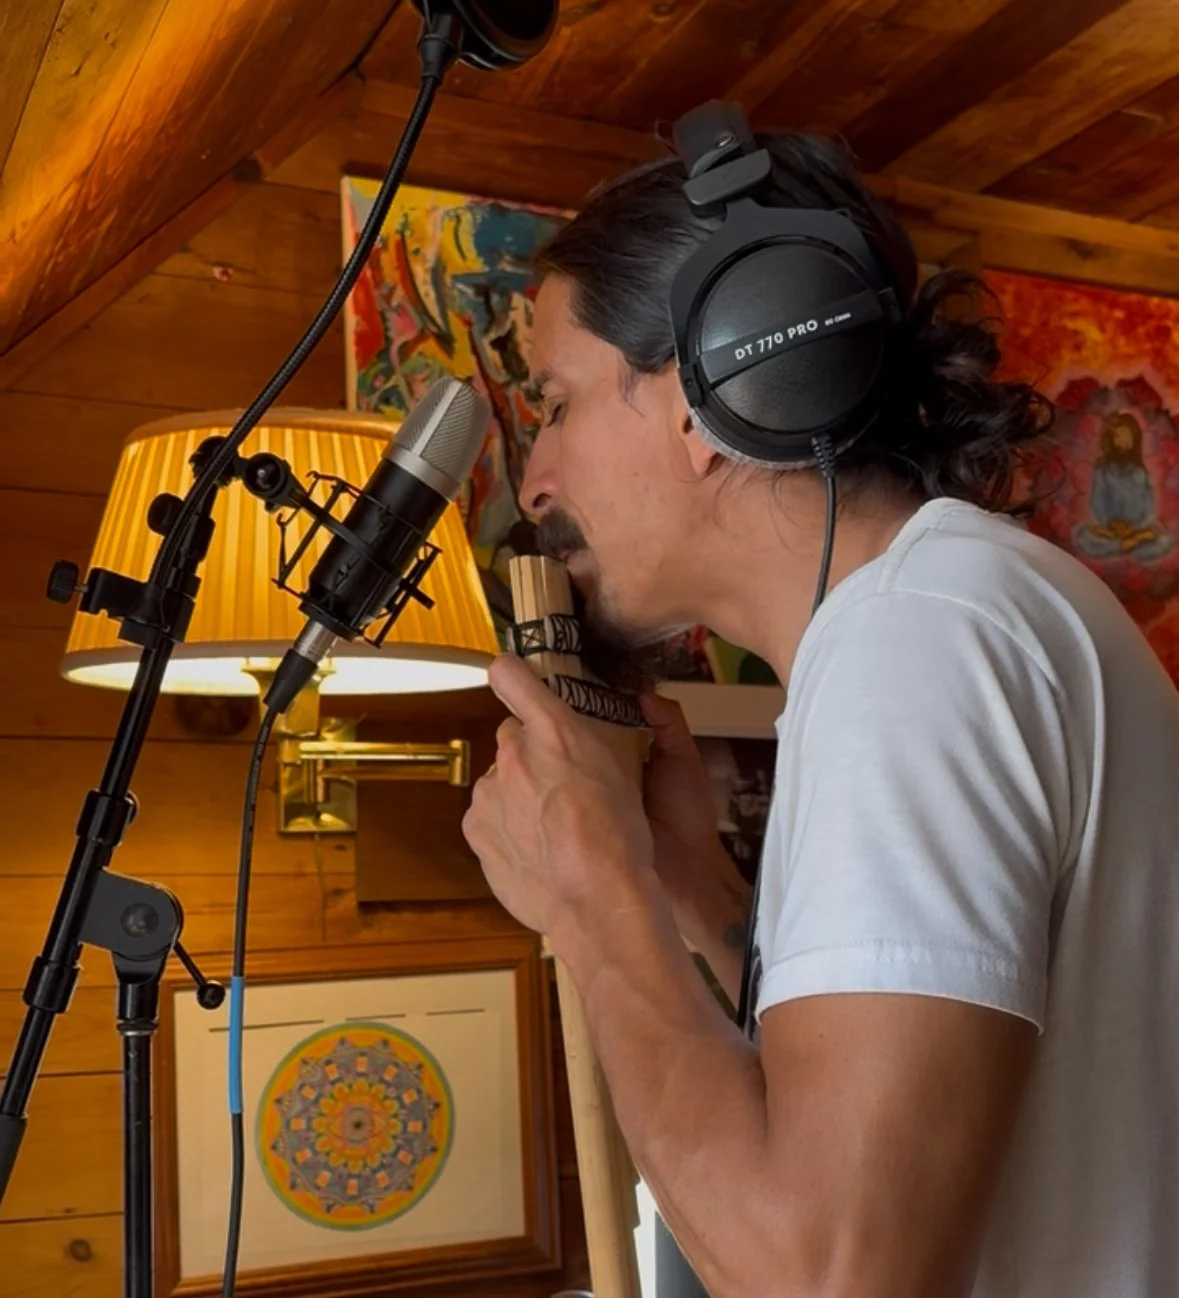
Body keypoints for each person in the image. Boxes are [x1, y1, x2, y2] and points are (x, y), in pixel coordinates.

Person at [460, 121, 1179, 1298]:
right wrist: (699, 898)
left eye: (558, 402)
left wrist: (592, 898)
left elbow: (828, 1276)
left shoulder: (919, 640)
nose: (536, 480)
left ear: (711, 384)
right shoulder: (950, 612)